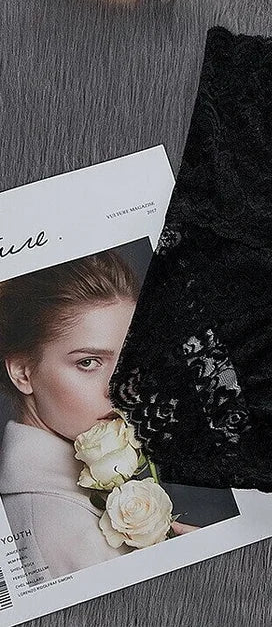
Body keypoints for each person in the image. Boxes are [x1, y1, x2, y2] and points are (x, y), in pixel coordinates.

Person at [0, 250, 194, 583]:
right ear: (22, 372)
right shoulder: (62, 527)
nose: (122, 389)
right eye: (88, 362)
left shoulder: (69, 493)